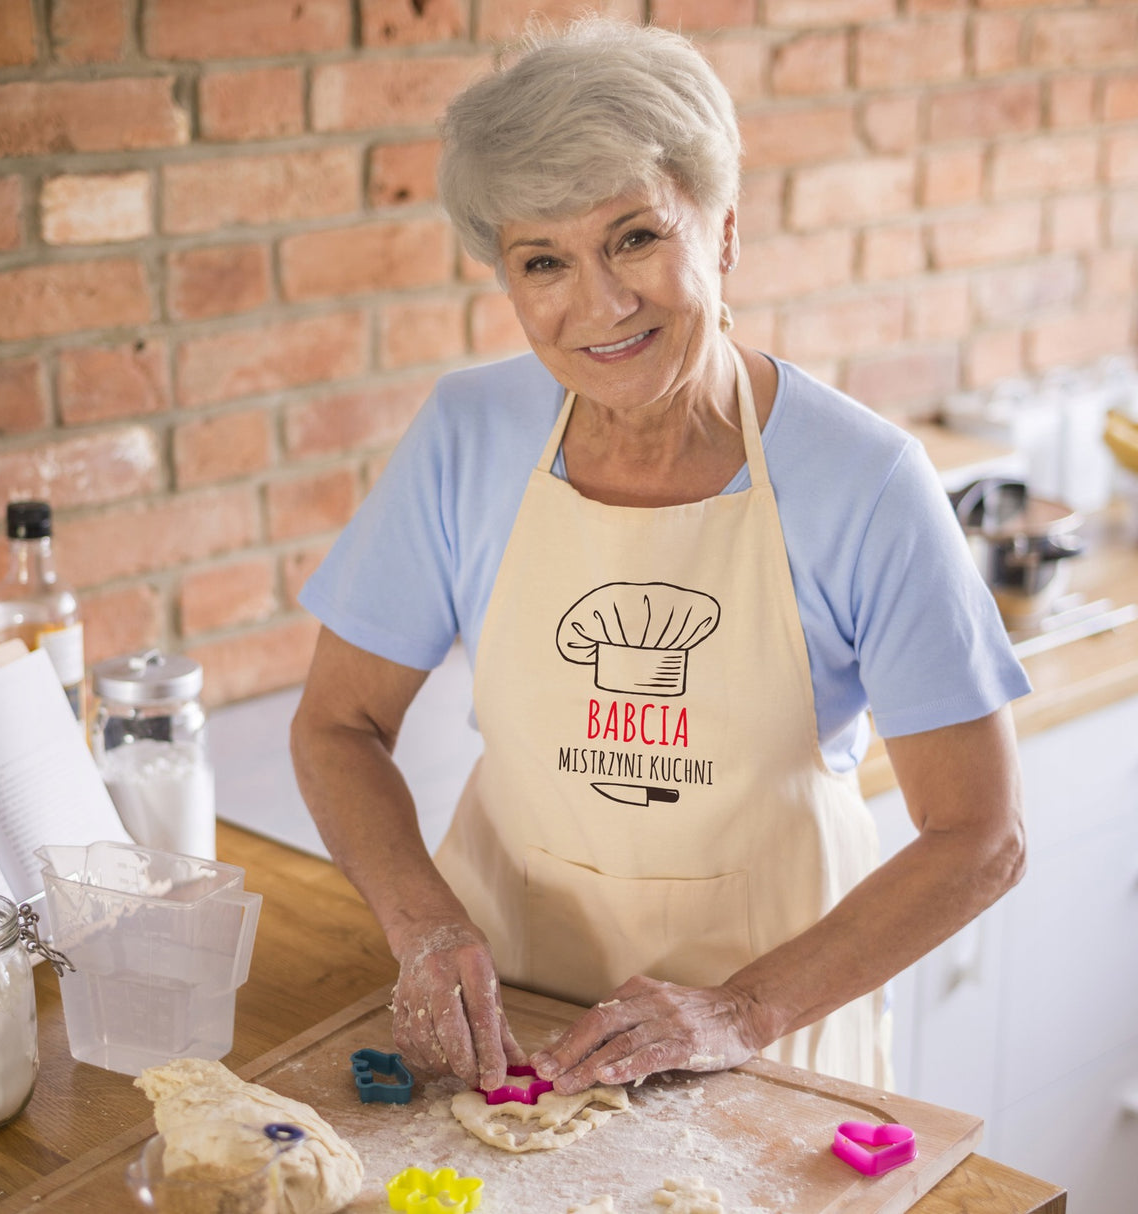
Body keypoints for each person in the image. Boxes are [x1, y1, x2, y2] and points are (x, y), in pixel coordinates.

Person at [290, 17, 1028, 1098]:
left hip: (761, 1046)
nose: (600, 303)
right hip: (509, 1028)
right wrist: (423, 926)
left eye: (634, 237)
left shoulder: (864, 480)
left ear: (720, 232)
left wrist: (740, 1010)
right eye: (543, 260)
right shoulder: (466, 435)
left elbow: (980, 834)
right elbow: (334, 724)